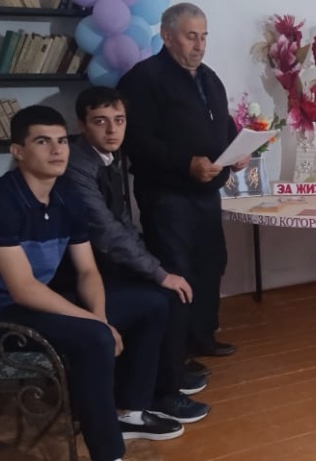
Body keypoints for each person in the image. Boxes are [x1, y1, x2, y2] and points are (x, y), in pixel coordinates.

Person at [0, 106, 183, 461]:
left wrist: (100, 316)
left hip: (37, 303)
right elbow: (23, 289)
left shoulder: (67, 197)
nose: (57, 150)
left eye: (61, 141)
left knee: (154, 302)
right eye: (43, 142)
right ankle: (108, 453)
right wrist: (97, 325)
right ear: (18, 151)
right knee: (96, 337)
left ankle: (130, 412)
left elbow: (87, 271)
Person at [59, 86, 212, 424]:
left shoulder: (107, 157)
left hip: (103, 260)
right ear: (82, 124)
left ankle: (165, 377)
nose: (112, 130)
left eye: (119, 120)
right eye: (100, 121)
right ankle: (161, 393)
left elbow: (123, 221)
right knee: (164, 293)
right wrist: (158, 273)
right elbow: (105, 231)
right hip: (77, 272)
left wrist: (156, 267)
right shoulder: (77, 166)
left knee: (176, 277)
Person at [117, 2, 248, 358]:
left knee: (211, 262)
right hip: (167, 195)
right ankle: (175, 354)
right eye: (191, 36)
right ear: (167, 35)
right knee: (176, 269)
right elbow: (135, 139)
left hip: (207, 191)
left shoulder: (209, 77)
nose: (199, 45)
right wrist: (185, 165)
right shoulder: (143, 79)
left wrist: (237, 150)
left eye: (204, 37)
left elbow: (223, 123)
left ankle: (202, 337)